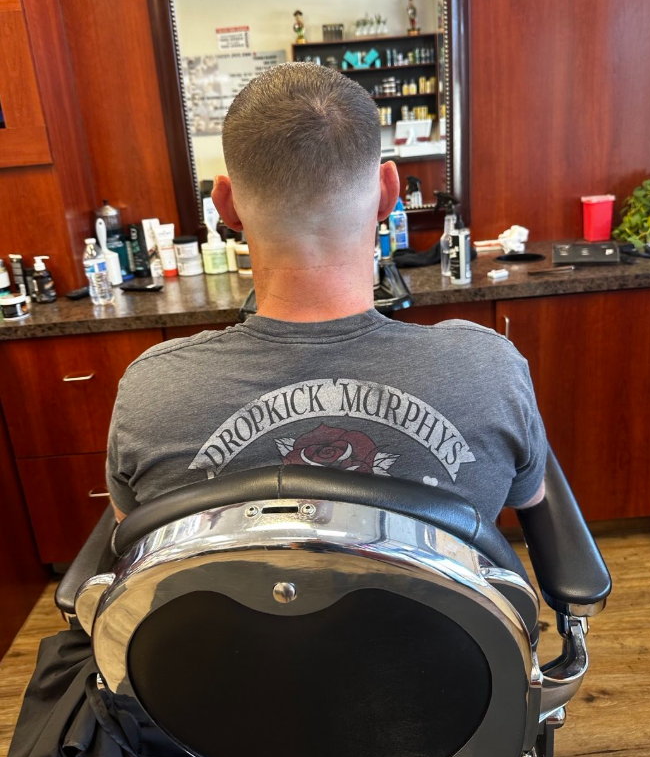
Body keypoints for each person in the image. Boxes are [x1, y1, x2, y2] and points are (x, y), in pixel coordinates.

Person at [106, 63, 546, 523]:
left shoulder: (153, 391)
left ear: (225, 205)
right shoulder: (489, 373)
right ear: (388, 192)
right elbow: (532, 502)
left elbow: (130, 536)